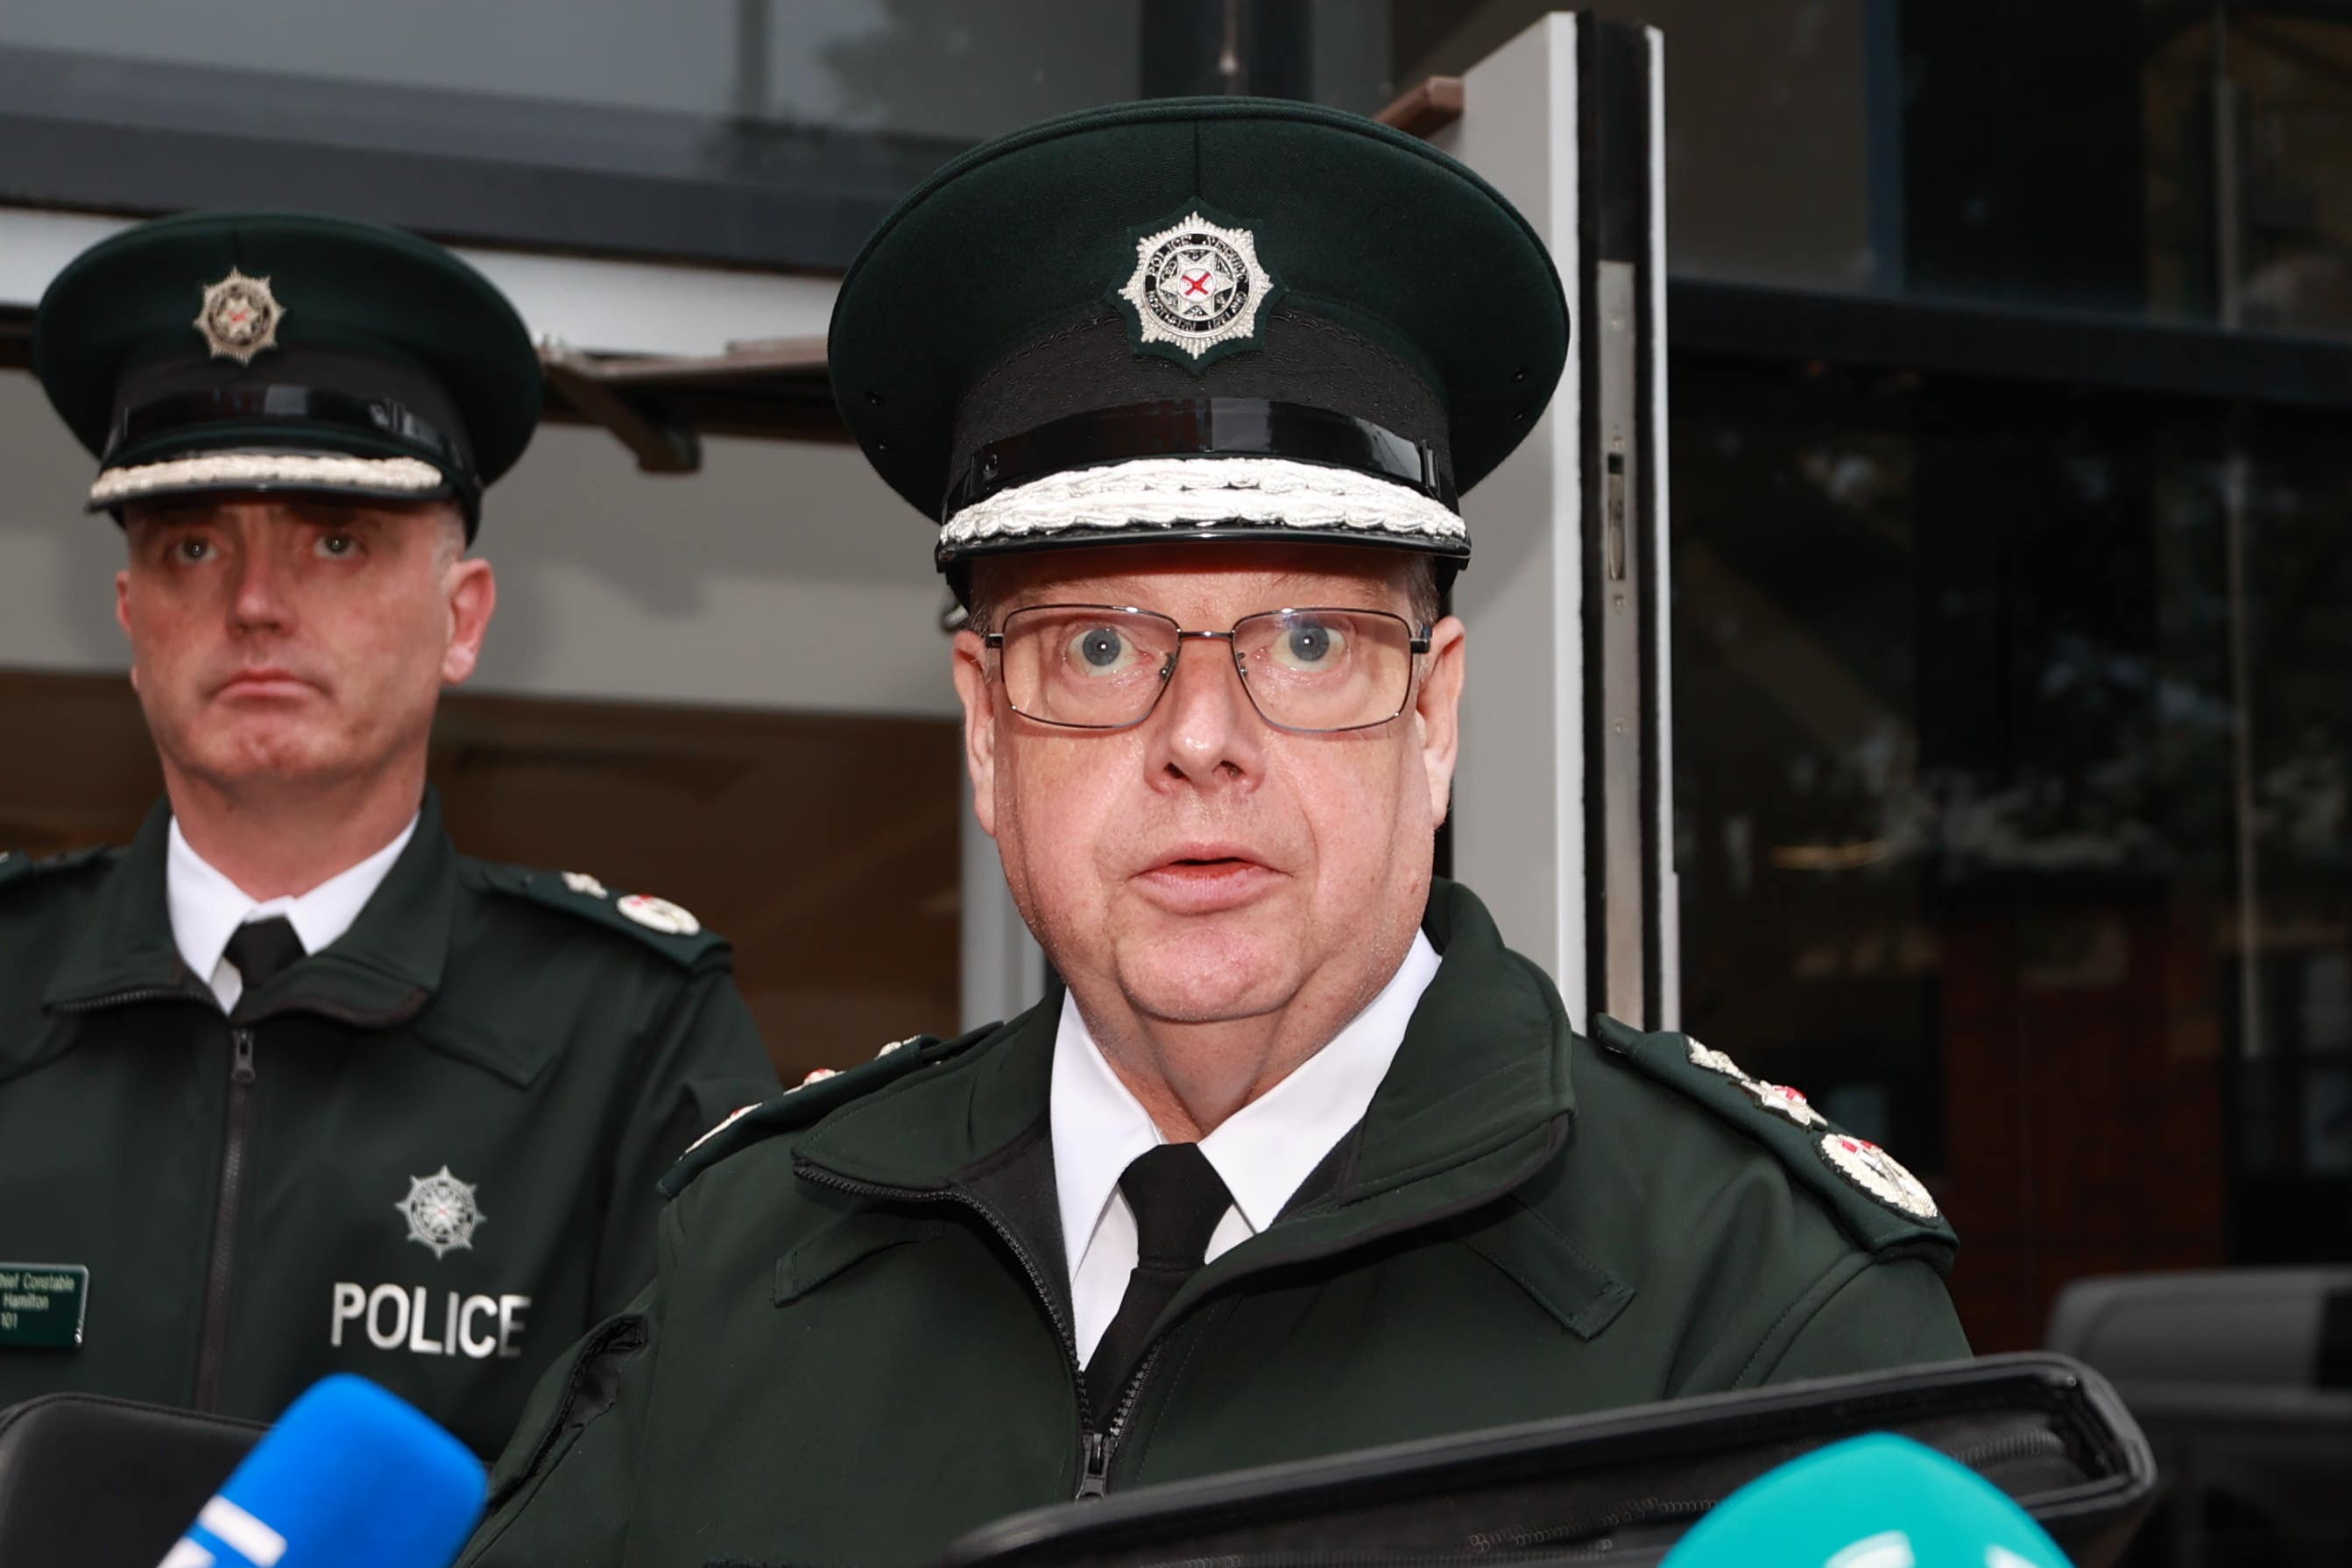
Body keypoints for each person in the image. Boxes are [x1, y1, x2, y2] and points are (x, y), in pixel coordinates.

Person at [462, 99, 1968, 1566]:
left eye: (1307, 643)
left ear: (1431, 719)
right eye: (1099, 652)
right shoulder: (746, 1269)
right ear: (986, 732)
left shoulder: (1762, 1317)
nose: (1201, 741)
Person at [0, 212, 779, 1457]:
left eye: (336, 539)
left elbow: (719, 1489)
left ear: (461, 618)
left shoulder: (625, 1036)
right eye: (193, 544)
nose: (255, 603)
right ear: (130, 615)